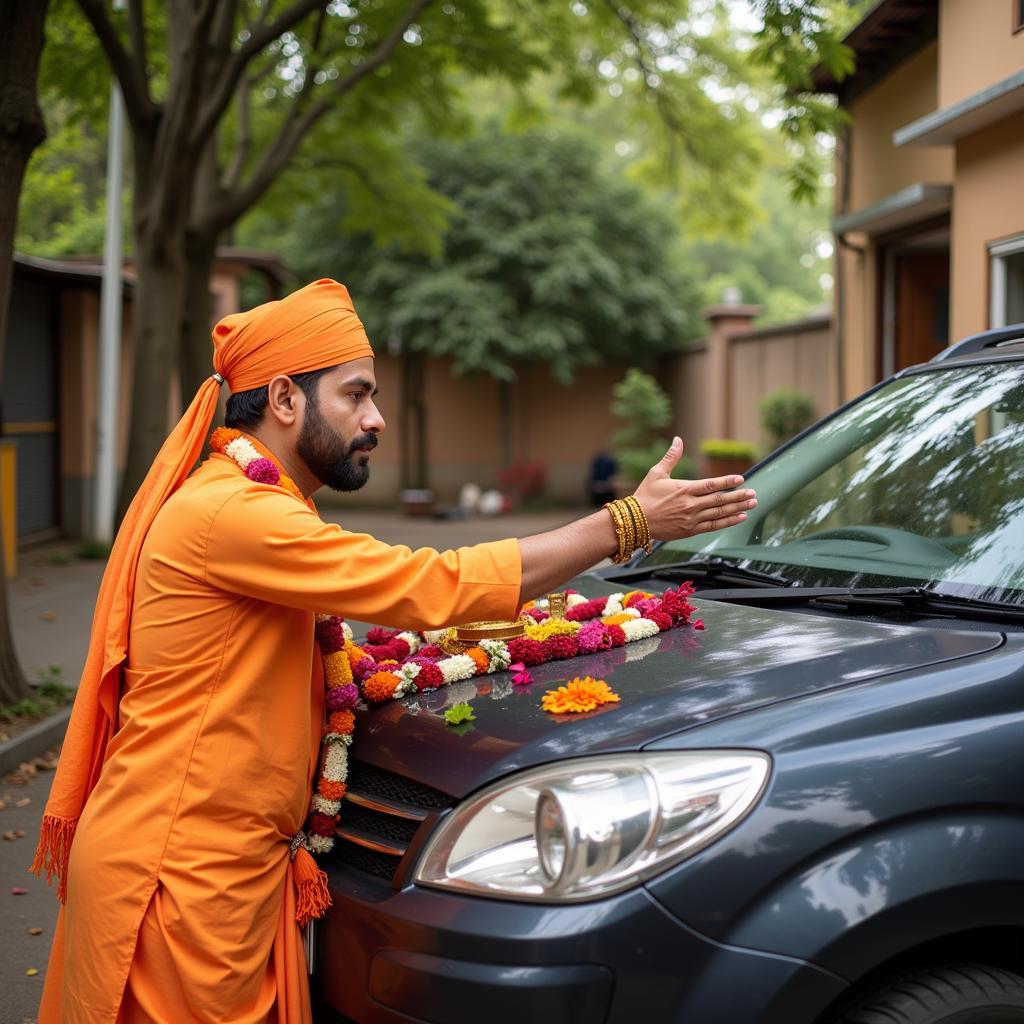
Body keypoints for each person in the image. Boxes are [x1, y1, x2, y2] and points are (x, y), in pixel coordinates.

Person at [31, 279, 756, 1023]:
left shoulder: (261, 504)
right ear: (284, 399)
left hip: (219, 871)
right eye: (357, 395)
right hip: (175, 876)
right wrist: (625, 523)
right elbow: (426, 584)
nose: (376, 418)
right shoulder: (232, 514)